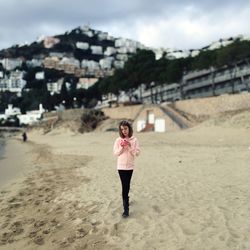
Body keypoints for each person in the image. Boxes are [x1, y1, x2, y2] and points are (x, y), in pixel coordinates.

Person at [113, 120, 140, 218]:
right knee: (124, 186)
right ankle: (126, 209)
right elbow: (116, 153)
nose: (124, 131)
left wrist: (129, 146)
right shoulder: (118, 140)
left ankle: (126, 198)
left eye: (125, 128)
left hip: (130, 166)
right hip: (121, 167)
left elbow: (136, 153)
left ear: (129, 128)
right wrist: (121, 147)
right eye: (122, 129)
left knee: (127, 185)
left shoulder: (134, 140)